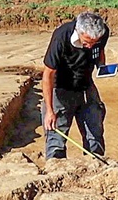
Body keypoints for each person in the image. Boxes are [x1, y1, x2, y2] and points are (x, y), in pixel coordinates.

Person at [41, 11, 110, 159]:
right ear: (79, 31)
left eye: (94, 42)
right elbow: (47, 75)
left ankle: (95, 165)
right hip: (60, 88)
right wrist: (49, 110)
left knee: (94, 132)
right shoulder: (61, 36)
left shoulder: (102, 33)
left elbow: (100, 50)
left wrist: (102, 66)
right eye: (86, 42)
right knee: (56, 138)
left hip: (86, 86)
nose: (90, 46)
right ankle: (56, 169)